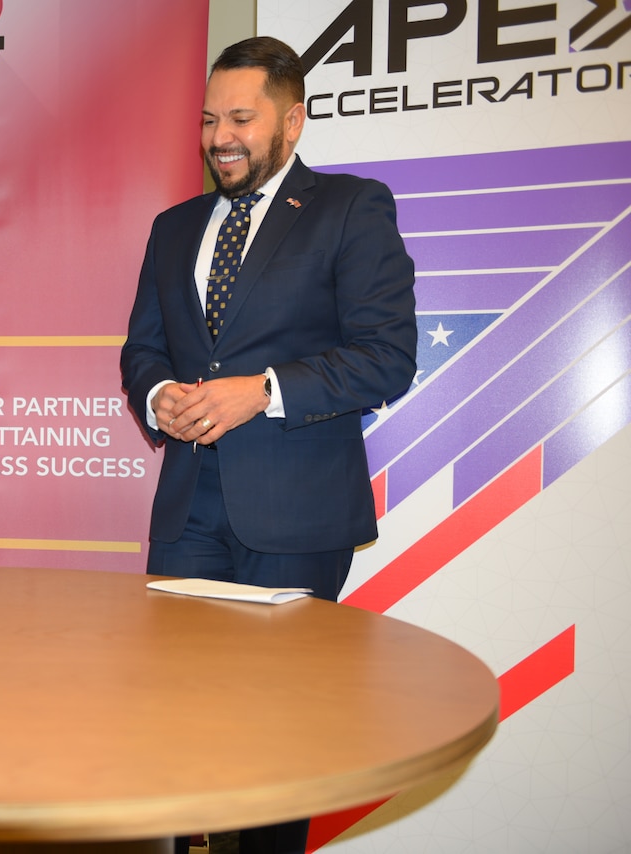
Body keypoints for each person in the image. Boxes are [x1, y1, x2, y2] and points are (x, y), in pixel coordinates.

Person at [120, 36, 417, 854]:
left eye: (242, 119)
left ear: (294, 120)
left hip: (296, 514)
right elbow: (142, 348)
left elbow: (386, 356)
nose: (221, 137)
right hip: (187, 511)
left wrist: (263, 391)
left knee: (278, 735)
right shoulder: (174, 226)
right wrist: (159, 394)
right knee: (178, 724)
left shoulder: (351, 209)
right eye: (211, 119)